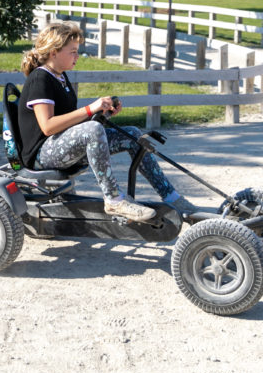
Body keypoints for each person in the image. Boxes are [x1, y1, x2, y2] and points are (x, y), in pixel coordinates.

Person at [17, 21, 197, 222]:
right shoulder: (40, 79)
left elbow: (70, 124)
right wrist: (89, 109)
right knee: (93, 129)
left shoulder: (60, 77)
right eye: (73, 52)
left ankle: (171, 197)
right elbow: (48, 126)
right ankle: (113, 200)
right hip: (42, 155)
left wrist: (103, 113)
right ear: (54, 53)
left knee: (132, 135)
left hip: (59, 147)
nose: (77, 56)